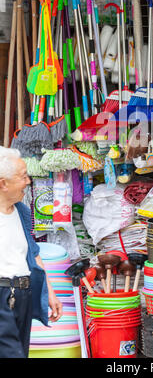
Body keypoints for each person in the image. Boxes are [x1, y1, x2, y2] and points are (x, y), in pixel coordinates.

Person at [0, 146, 63, 358]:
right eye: (23, 176)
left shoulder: (22, 212)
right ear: (3, 184)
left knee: (21, 352)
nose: (28, 182)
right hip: (2, 294)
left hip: (23, 295)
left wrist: (50, 293)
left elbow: (34, 254)